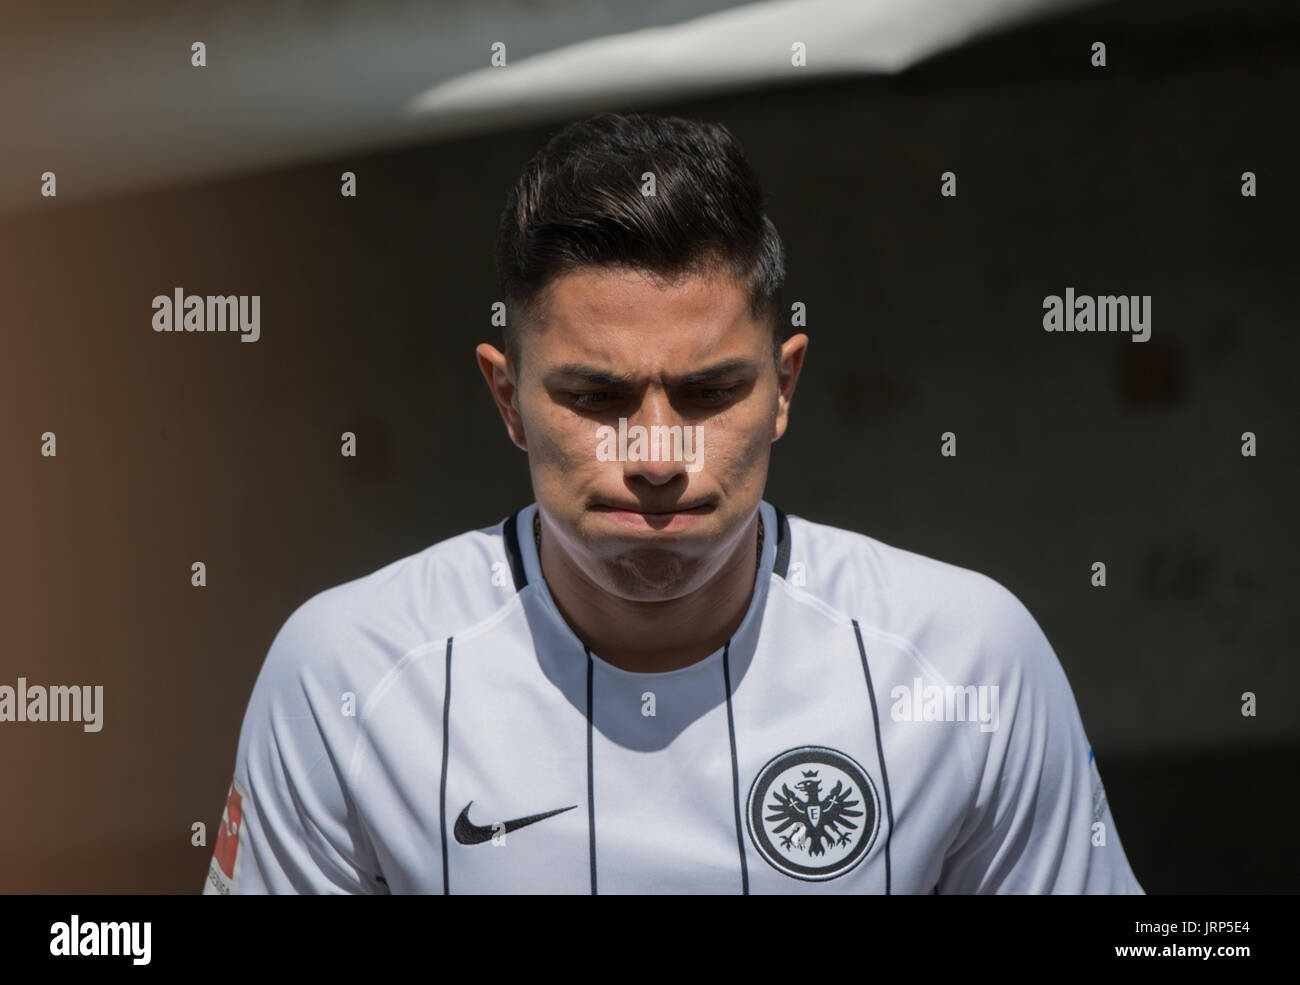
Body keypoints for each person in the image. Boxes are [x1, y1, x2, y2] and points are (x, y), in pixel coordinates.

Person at [204, 111, 1143, 894]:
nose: (657, 455)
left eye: (707, 393)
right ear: (508, 399)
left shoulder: (968, 660)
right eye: (596, 397)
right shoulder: (344, 678)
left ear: (784, 388)